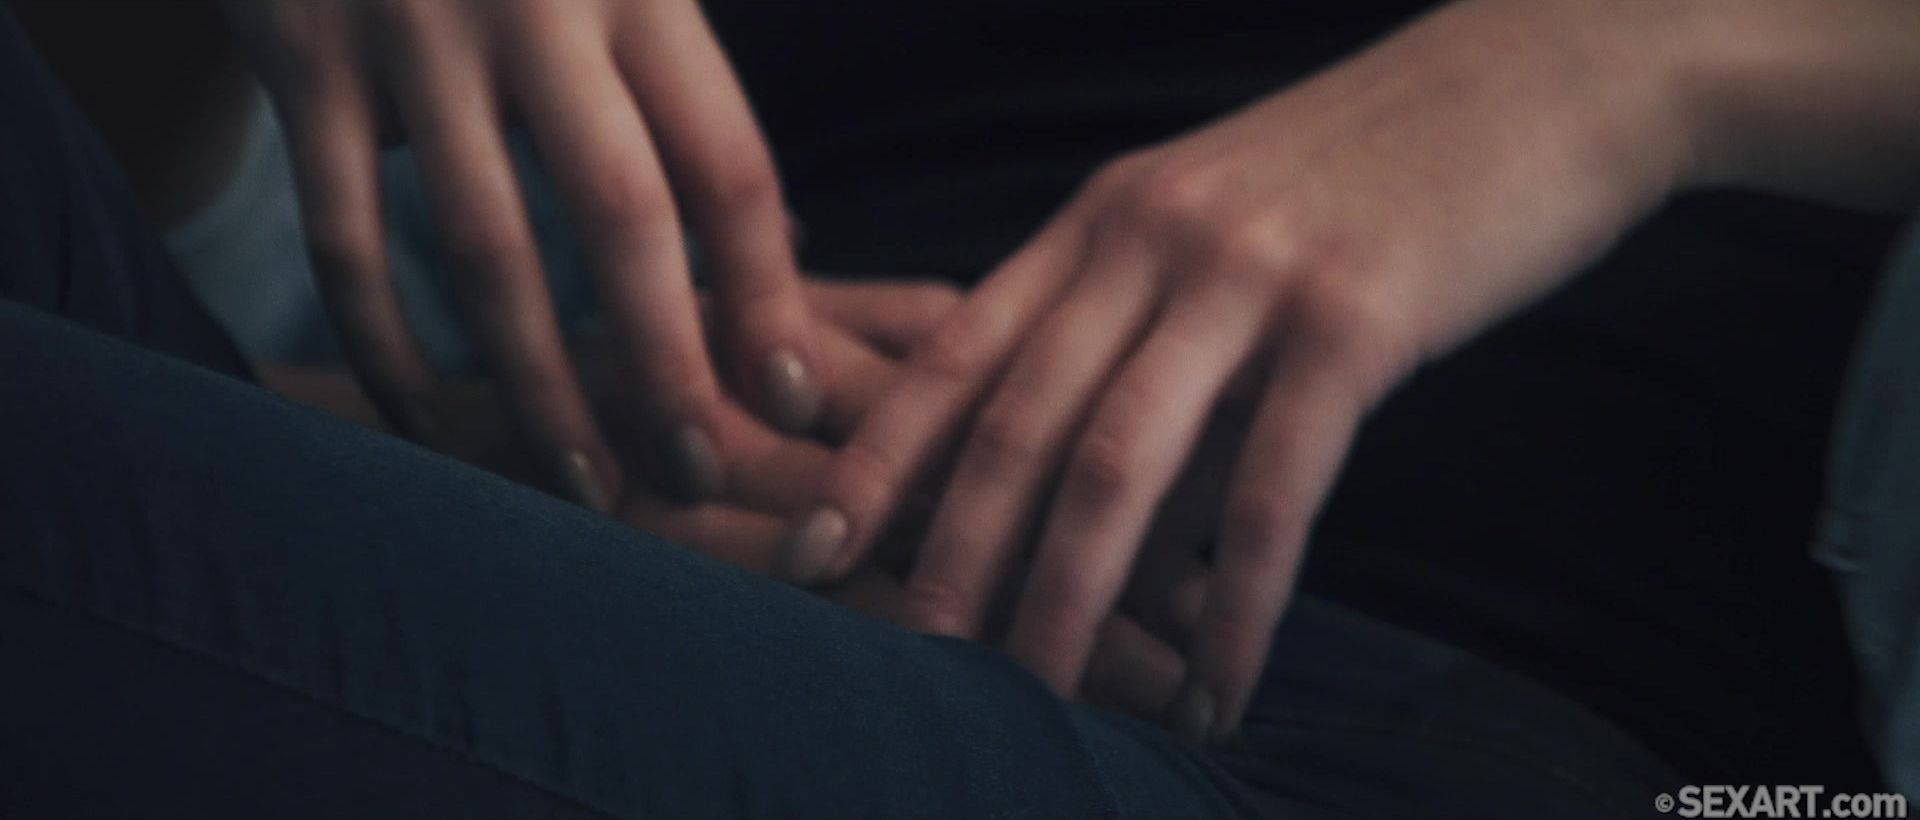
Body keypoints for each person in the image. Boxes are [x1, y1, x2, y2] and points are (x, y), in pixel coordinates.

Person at [4, 0, 1918, 815]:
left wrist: (1624, 61)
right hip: (660, 545)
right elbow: (233, 305)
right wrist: (500, 452)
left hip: (1511, 739)